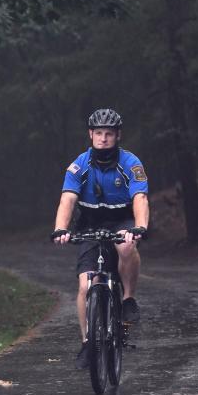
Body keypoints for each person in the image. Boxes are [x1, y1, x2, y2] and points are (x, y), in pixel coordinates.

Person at [51, 108, 149, 370]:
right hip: (90, 222)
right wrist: (61, 228)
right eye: (99, 133)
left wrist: (139, 226)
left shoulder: (131, 163)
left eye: (109, 134)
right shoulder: (79, 165)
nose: (103, 139)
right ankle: (87, 342)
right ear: (90, 135)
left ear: (117, 136)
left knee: (127, 246)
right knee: (85, 286)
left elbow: (140, 198)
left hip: (122, 219)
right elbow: (67, 199)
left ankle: (127, 299)